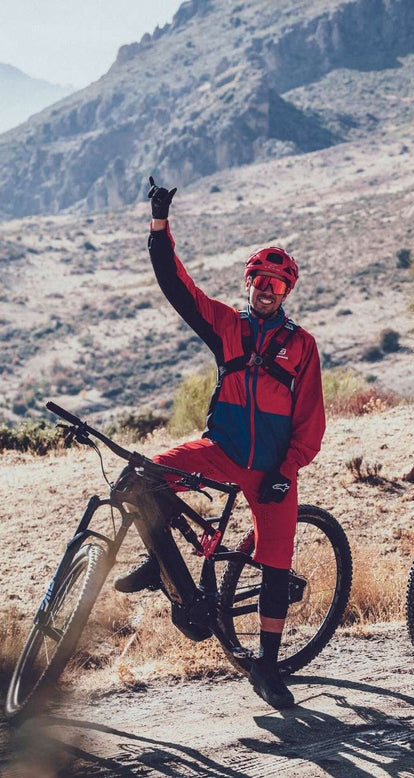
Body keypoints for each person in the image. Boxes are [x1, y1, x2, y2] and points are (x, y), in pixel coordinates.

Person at [118, 177, 324, 709]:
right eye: (260, 279)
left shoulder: (302, 346)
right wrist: (159, 224)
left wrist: (289, 468)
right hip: (221, 452)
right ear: (250, 284)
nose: (266, 288)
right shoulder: (227, 326)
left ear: (286, 292)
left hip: (273, 470)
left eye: (276, 284)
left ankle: (268, 668)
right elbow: (176, 286)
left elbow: (312, 419)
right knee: (138, 478)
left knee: (277, 563)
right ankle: (163, 566)